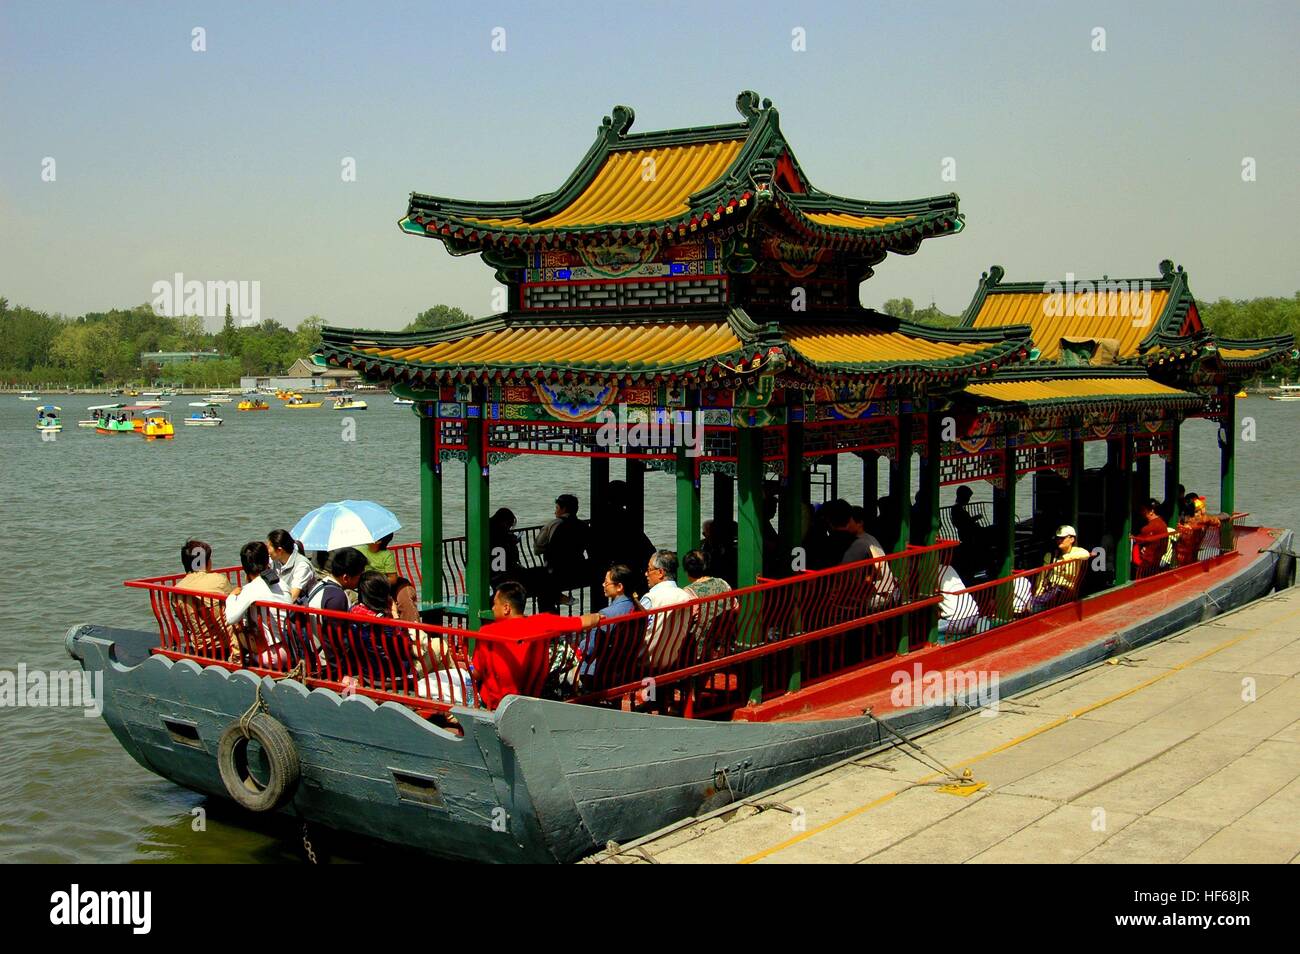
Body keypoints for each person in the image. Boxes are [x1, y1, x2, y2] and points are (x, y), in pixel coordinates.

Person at [471, 581, 593, 710]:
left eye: (495, 604)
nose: (493, 608)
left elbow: (477, 673)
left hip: (495, 703)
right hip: (531, 696)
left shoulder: (487, 632)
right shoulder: (542, 622)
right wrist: (599, 616)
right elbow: (583, 621)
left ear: (506, 608)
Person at [224, 541, 293, 666]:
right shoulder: (282, 584)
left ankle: (237, 660)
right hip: (292, 647)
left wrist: (231, 597)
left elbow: (231, 618)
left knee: (235, 626)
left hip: (272, 656)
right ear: (267, 562)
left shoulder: (251, 589)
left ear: (245, 567)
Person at [573, 564, 640, 689]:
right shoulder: (638, 609)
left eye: (606, 582)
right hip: (625, 669)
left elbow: (589, 649)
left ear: (619, 587)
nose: (603, 585)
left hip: (600, 674)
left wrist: (576, 647)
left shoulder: (606, 614)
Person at [175, 540, 234, 656]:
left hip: (199, 646)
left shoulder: (177, 589)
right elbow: (236, 606)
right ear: (205, 562)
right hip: (225, 645)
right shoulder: (219, 580)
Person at [533, 494, 590, 610]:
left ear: (563, 509)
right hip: (578, 569)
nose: (555, 512)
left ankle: (551, 619)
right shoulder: (584, 526)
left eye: (557, 508)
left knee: (543, 594)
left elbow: (537, 549)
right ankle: (558, 596)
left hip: (555, 572)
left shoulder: (554, 524)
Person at [640, 550, 693, 669]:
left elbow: (636, 632)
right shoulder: (685, 597)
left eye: (649, 570)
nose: (646, 574)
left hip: (644, 663)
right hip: (670, 660)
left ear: (660, 572)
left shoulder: (650, 599)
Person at [1032, 525, 1090, 610]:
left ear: (1072, 539)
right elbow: (1044, 576)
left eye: (1062, 538)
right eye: (1058, 538)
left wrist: (1067, 558)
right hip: (1051, 589)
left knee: (1035, 603)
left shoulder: (1076, 551)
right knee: (1032, 602)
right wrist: (1038, 592)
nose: (1059, 540)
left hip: (1065, 590)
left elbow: (1086, 554)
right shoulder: (1053, 555)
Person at [682, 549, 733, 634]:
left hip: (698, 643)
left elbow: (684, 621)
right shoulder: (723, 583)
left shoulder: (688, 592)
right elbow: (735, 607)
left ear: (687, 570)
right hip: (722, 639)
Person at [267, 529, 315, 602]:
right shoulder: (275, 560)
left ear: (279, 550)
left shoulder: (302, 566)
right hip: (281, 604)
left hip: (303, 608)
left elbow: (293, 597)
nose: (267, 551)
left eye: (269, 548)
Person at [937, 564, 980, 637]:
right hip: (975, 615)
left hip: (958, 622)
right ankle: (968, 629)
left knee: (928, 629)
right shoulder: (949, 567)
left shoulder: (929, 573)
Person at [488, 508, 524, 585]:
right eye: (509, 525)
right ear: (504, 522)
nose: (509, 528)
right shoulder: (498, 533)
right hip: (499, 568)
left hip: (497, 567)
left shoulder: (491, 528)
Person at [1134, 498, 1170, 573]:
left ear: (1151, 511)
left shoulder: (1150, 527)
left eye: (1144, 510)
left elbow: (1138, 540)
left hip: (1147, 563)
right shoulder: (1162, 523)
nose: (1142, 512)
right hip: (1156, 561)